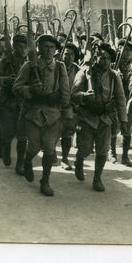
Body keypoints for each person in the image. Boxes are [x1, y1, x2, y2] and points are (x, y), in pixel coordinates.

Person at [13, 35, 74, 196]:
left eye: (52, 47)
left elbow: (66, 93)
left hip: (53, 115)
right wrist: (31, 90)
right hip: (33, 113)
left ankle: (45, 181)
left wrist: (68, 116)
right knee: (33, 147)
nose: (48, 50)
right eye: (45, 46)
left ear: (55, 50)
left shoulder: (60, 68)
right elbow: (17, 86)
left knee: (49, 148)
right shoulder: (29, 66)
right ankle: (27, 161)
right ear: (38, 48)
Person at [72, 43, 127, 192]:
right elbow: (73, 94)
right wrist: (83, 95)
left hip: (105, 118)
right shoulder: (84, 73)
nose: (104, 61)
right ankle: (79, 160)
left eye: (108, 58)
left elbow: (121, 99)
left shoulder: (114, 76)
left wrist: (124, 121)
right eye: (101, 57)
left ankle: (97, 178)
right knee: (85, 148)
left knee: (103, 150)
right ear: (95, 57)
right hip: (87, 117)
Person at [0, 34, 28, 168]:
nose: (22, 50)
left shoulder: (30, 62)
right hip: (7, 103)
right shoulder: (5, 61)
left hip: (24, 103)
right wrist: (6, 79)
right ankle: (6, 150)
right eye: (19, 46)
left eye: (25, 47)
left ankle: (20, 163)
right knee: (8, 133)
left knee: (23, 135)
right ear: (13, 46)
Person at [111, 37, 132, 166]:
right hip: (115, 101)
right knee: (114, 126)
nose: (126, 53)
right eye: (123, 49)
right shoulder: (112, 65)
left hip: (129, 100)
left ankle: (125, 155)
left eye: (129, 50)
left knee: (127, 127)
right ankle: (112, 152)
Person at [59, 42, 81, 170]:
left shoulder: (78, 70)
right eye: (66, 54)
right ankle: (49, 153)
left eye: (72, 54)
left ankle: (65, 158)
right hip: (55, 103)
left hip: (69, 105)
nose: (69, 57)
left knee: (68, 131)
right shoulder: (56, 66)